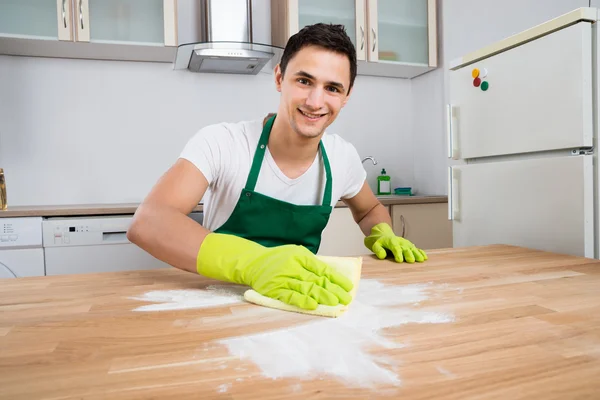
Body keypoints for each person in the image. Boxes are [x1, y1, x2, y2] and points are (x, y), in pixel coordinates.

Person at [127, 23, 427, 311]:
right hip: (218, 300)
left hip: (300, 298)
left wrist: (382, 231)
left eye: (333, 88)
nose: (315, 101)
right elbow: (149, 222)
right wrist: (254, 264)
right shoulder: (223, 142)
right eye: (304, 81)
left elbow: (369, 209)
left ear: (346, 97)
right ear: (279, 78)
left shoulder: (341, 157)